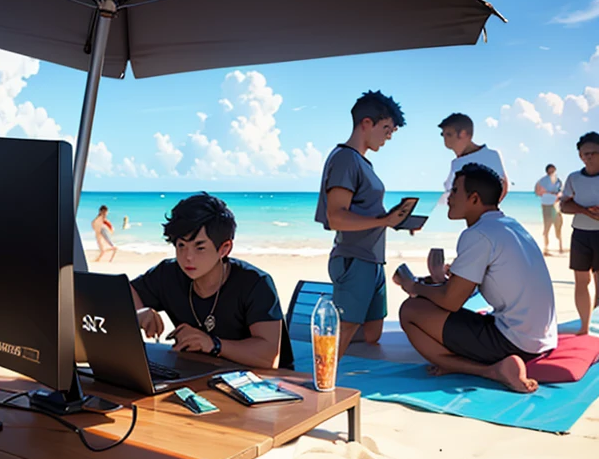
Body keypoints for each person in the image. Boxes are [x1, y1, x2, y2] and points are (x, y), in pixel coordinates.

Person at [394, 163, 557, 393]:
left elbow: (452, 302)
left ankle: (490, 370)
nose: (449, 198)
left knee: (410, 310)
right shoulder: (510, 225)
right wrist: (440, 278)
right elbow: (473, 287)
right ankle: (461, 362)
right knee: (442, 306)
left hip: (515, 341)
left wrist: (413, 286)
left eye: (455, 191)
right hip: (542, 338)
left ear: (474, 199)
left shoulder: (477, 234)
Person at [130, 193, 291, 369]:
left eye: (200, 248)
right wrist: (139, 313)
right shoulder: (168, 274)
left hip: (262, 384)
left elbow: (269, 358)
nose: (188, 257)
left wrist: (213, 344)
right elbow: (121, 295)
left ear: (224, 249)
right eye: (181, 245)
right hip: (196, 373)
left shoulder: (256, 283)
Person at [314, 90, 412, 357]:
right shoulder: (346, 158)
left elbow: (365, 214)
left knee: (372, 333)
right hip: (354, 258)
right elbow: (336, 217)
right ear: (366, 123)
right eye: (387, 128)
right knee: (345, 329)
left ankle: (325, 340)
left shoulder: (362, 163)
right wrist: (383, 220)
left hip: (372, 258)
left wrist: (394, 221)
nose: (389, 136)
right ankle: (321, 381)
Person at [560, 132, 599, 335]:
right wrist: (585, 211)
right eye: (585, 154)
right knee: (581, 281)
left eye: (594, 153)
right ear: (580, 156)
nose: (589, 157)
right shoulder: (574, 178)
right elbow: (564, 206)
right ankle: (584, 327)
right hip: (581, 234)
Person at [439, 113, 508, 203]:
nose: (444, 138)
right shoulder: (457, 162)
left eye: (449, 134)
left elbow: (502, 187)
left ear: (463, 134)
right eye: (442, 134)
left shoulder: (490, 155)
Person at [535, 163, 564, 256]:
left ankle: (560, 247)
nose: (552, 172)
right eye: (550, 170)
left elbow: (561, 191)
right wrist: (549, 193)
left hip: (556, 205)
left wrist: (557, 196)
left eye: (553, 170)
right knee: (547, 227)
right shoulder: (542, 181)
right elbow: (538, 191)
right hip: (546, 205)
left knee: (558, 225)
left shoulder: (558, 180)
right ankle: (546, 248)